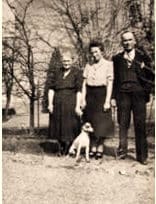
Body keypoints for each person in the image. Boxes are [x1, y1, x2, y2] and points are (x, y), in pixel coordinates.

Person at [112, 31, 154, 165]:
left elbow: (151, 77)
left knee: (139, 124)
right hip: (122, 94)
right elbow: (114, 79)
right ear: (122, 42)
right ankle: (122, 151)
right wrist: (113, 97)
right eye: (124, 40)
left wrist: (145, 92)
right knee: (123, 123)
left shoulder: (143, 57)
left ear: (135, 41)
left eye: (130, 40)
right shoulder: (117, 59)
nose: (127, 42)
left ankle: (142, 156)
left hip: (138, 95)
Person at [81, 41, 114, 159]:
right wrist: (83, 99)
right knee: (91, 122)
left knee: (101, 124)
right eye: (92, 52)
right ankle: (93, 146)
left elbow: (109, 84)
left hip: (102, 94)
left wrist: (107, 101)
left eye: (96, 52)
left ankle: (100, 147)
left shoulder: (109, 64)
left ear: (102, 52)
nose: (94, 54)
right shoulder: (88, 65)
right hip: (90, 95)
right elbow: (84, 84)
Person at [48, 52, 83, 154]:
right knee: (58, 124)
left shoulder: (77, 72)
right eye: (64, 61)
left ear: (72, 61)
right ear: (61, 61)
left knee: (70, 125)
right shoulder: (57, 72)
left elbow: (79, 90)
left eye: (68, 61)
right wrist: (50, 104)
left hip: (71, 102)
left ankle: (70, 147)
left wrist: (77, 106)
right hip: (57, 102)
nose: (66, 63)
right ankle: (60, 146)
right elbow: (51, 89)